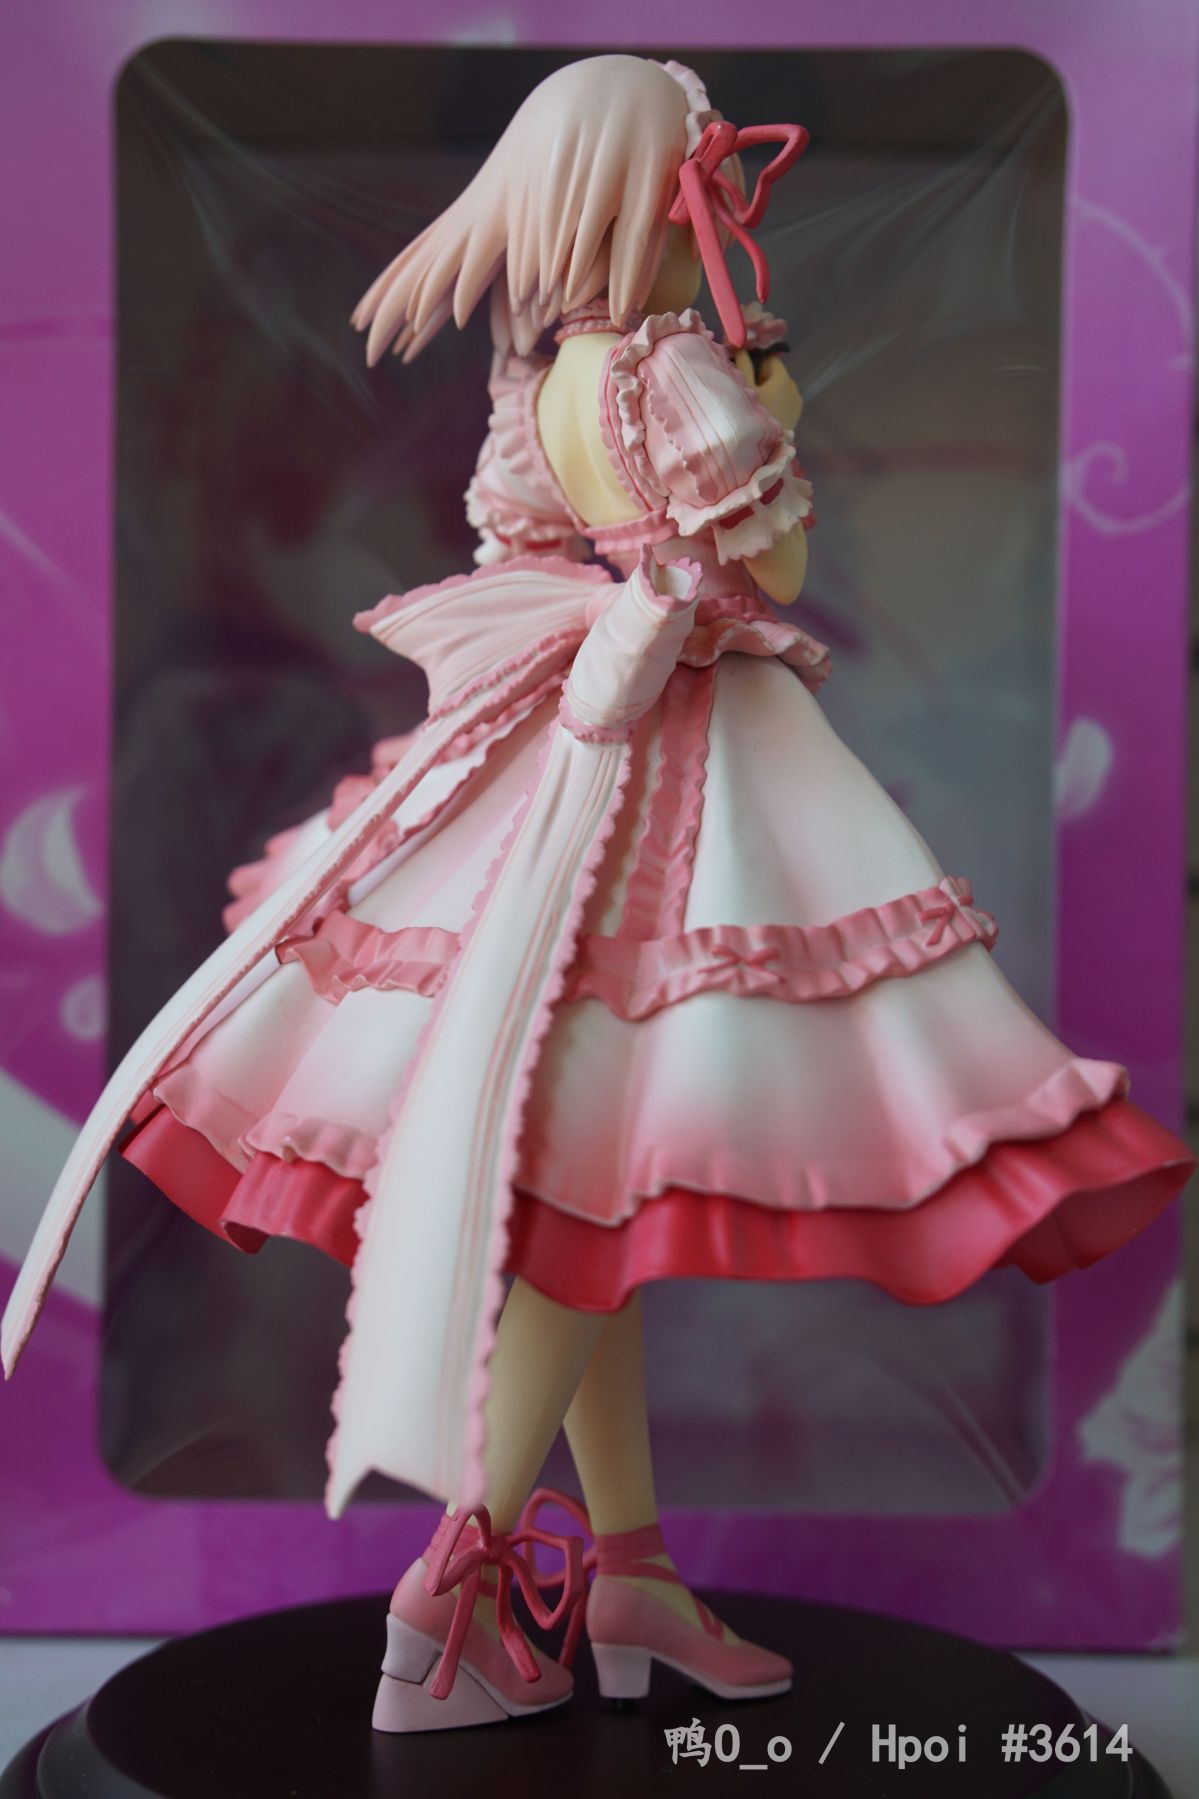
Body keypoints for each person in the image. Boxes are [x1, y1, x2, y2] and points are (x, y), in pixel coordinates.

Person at [5, 54, 1191, 1734]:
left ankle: (625, 1571)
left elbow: (522, 549)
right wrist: (774, 420)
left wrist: (639, 583)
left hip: (559, 758)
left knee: (592, 1191)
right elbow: (769, 566)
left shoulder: (548, 370)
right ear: (654, 198)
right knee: (604, 1176)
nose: (725, 206)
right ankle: (459, 1585)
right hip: (678, 768)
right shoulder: (675, 368)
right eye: (707, 181)